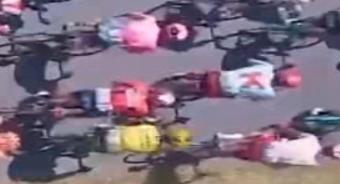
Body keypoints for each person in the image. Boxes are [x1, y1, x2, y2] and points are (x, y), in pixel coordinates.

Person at [38, 79, 177, 121]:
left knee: (71, 97)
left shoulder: (141, 87)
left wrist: (117, 88)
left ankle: (50, 101)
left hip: (101, 94)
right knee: (80, 113)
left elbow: (118, 83)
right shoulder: (144, 110)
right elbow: (127, 116)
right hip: (103, 108)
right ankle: (62, 112)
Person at [212, 125, 340, 167]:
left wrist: (276, 128)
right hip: (265, 157)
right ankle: (222, 153)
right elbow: (283, 165)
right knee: (236, 155)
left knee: (255, 136)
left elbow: (288, 131)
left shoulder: (311, 140)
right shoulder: (312, 163)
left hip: (266, 144)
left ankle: (225, 137)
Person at [173, 62, 303, 102]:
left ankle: (183, 75)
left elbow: (251, 62)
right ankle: (180, 95)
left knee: (208, 73)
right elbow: (249, 96)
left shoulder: (267, 67)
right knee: (230, 93)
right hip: (224, 89)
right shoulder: (269, 93)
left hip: (223, 76)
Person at [96, 12, 193, 53]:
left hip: (120, 26)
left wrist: (128, 15)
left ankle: (97, 24)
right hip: (119, 38)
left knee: (111, 22)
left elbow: (134, 14)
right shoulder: (152, 46)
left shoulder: (151, 20)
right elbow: (132, 50)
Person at [91, 120, 196, 157]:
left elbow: (136, 122)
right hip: (115, 146)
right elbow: (152, 155)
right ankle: (92, 149)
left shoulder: (152, 128)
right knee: (114, 150)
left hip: (115, 133)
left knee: (118, 127)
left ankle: (96, 129)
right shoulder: (155, 148)